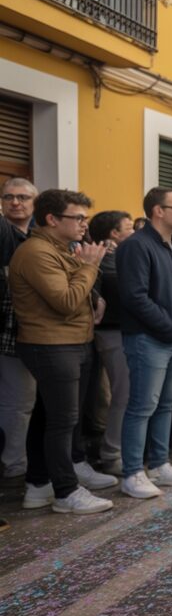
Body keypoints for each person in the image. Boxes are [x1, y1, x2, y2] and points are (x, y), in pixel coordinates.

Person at [9, 189, 116, 514]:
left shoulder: (59, 248)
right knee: (63, 421)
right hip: (52, 345)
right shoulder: (37, 252)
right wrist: (90, 267)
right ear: (52, 219)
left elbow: (75, 294)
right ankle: (66, 491)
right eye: (78, 217)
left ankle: (39, 484)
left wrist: (94, 298)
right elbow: (66, 300)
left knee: (49, 417)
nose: (85, 224)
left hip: (69, 342)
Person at [117, 188, 172, 500]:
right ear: (158, 211)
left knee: (167, 404)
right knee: (142, 406)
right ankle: (132, 472)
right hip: (148, 338)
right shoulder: (136, 247)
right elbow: (135, 297)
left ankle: (160, 463)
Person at [90, 210, 136, 476]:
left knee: (127, 394)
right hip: (111, 332)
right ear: (113, 234)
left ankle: (122, 448)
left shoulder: (122, 255)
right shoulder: (104, 259)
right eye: (129, 227)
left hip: (126, 331)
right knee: (123, 394)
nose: (134, 231)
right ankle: (111, 453)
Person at [0, 177, 37, 481]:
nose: (15, 202)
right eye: (9, 197)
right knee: (18, 402)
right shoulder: (2, 233)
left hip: (37, 333)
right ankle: (13, 463)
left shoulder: (41, 236)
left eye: (23, 197)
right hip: (9, 333)